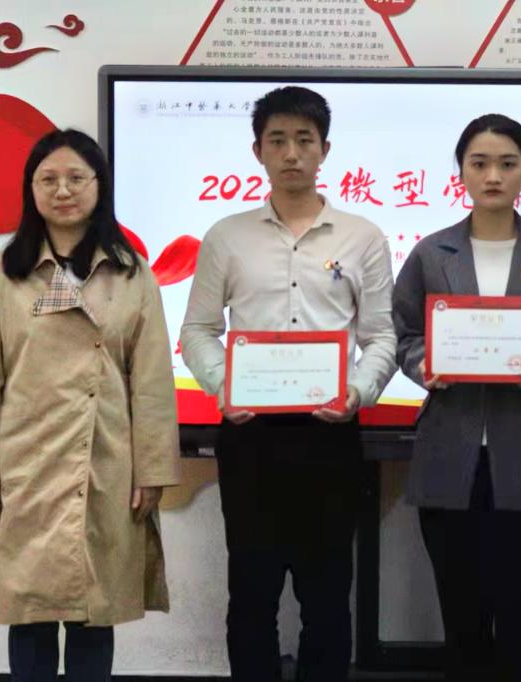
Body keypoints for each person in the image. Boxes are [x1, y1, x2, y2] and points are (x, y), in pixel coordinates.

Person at [180, 86, 396, 681]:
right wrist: (223, 386)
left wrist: (358, 391)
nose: (292, 153)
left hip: (330, 437)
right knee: (252, 593)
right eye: (278, 140)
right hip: (251, 437)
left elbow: (381, 335)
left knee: (327, 595)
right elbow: (198, 330)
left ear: (325, 149)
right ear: (258, 151)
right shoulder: (227, 236)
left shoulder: (362, 236)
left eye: (305, 139)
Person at [0, 128, 182, 680]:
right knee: (28, 613)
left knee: (93, 612)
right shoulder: (4, 273)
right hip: (24, 463)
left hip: (104, 458)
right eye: (49, 179)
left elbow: (152, 381)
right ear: (30, 189)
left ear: (99, 186)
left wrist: (152, 470)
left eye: (76, 178)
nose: (62, 190)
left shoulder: (130, 272)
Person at [392, 114, 521, 682]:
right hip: (450, 454)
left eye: (508, 163)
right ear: (460, 171)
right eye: (479, 163)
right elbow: (403, 332)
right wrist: (422, 363)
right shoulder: (432, 253)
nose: (493, 176)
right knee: (462, 616)